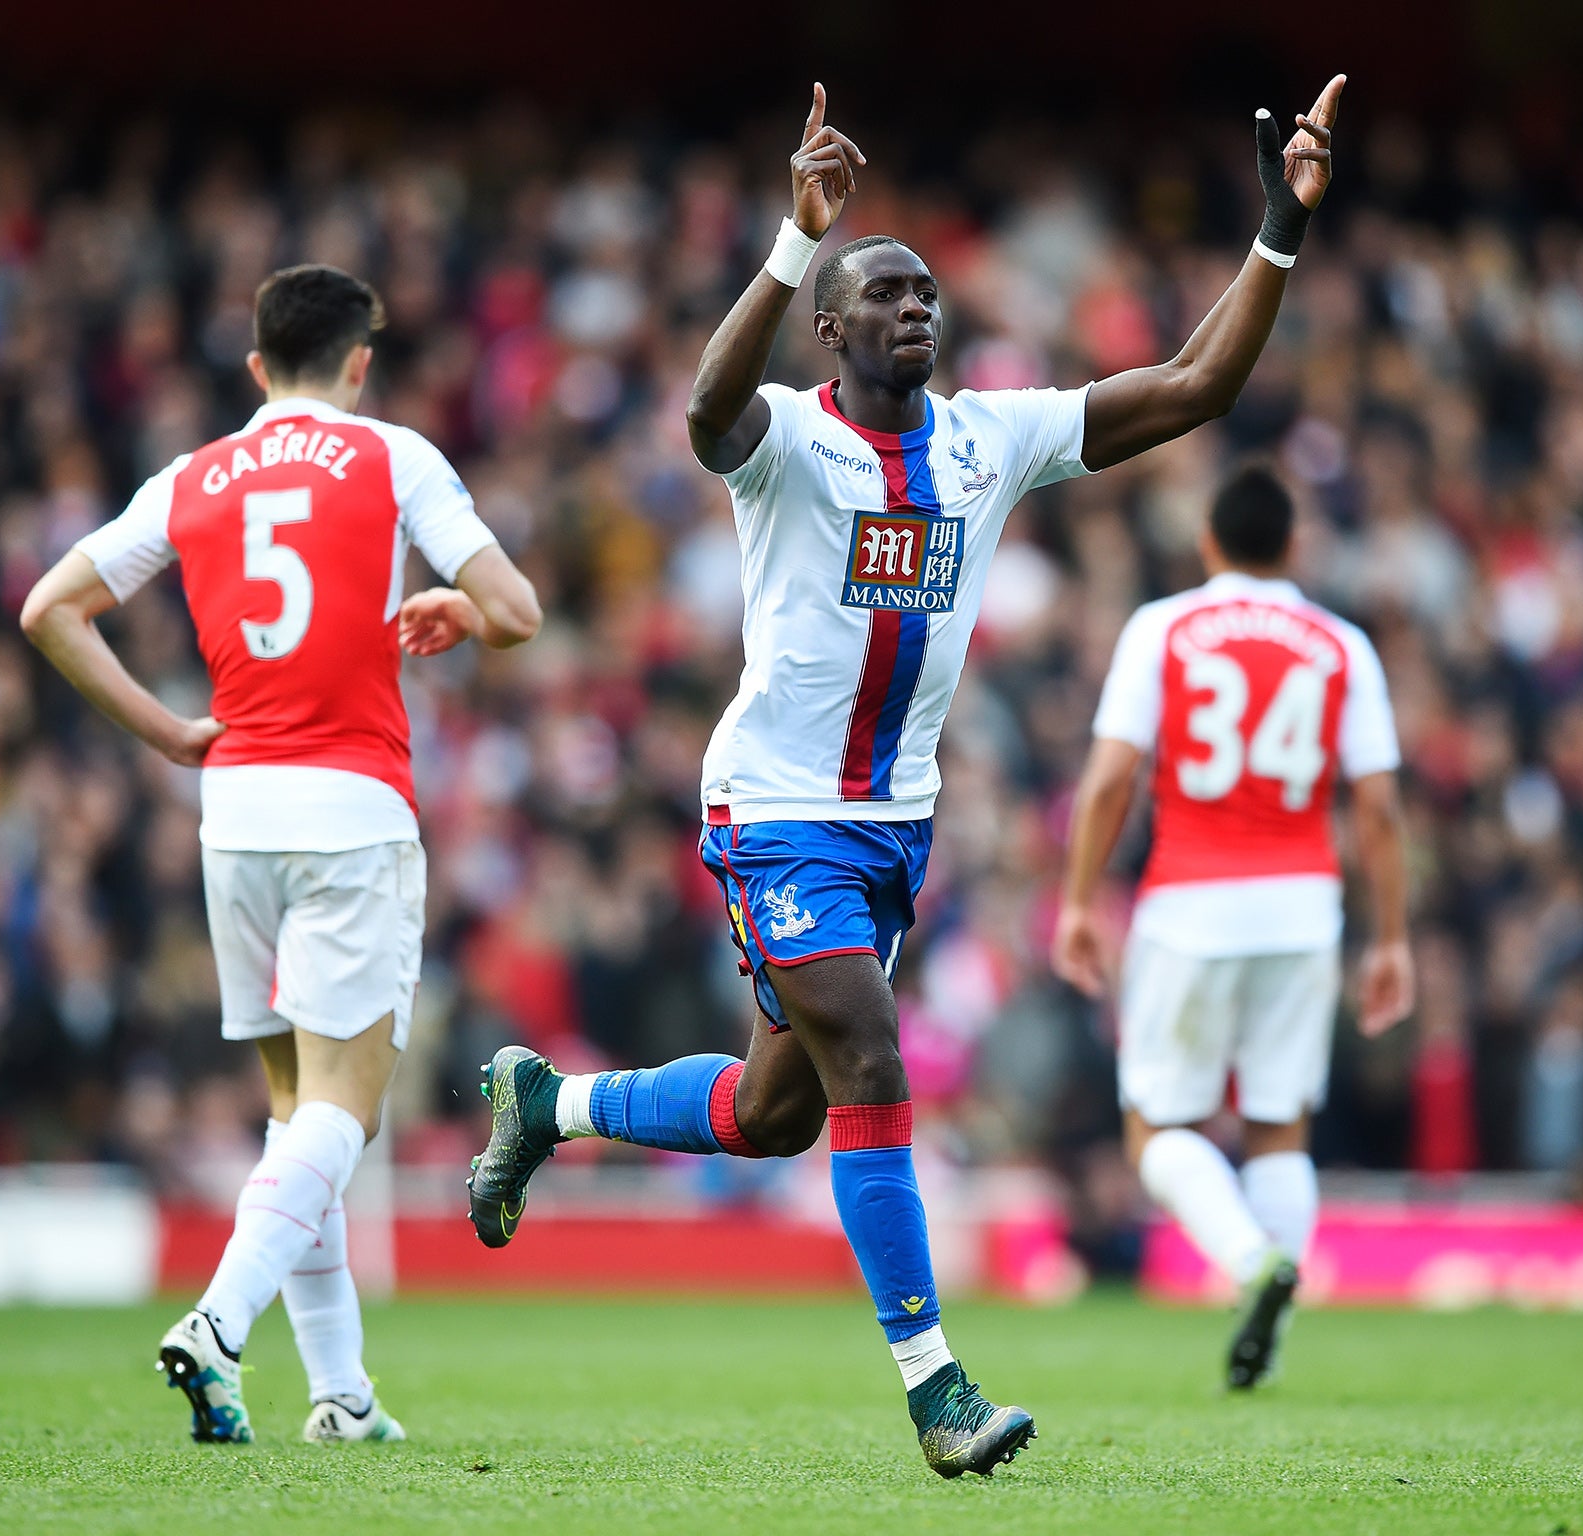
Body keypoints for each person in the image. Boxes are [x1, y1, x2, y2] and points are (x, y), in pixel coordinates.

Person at [464, 75, 1348, 1476]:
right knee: (872, 1055)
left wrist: (1276, 232)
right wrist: (788, 234)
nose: (917, 306)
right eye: (883, 293)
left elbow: (1192, 387)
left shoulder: (989, 439)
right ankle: (937, 1393)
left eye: (927, 290)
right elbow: (701, 413)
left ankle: (547, 1104)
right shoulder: (788, 445)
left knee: (777, 1113)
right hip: (776, 812)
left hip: (892, 829)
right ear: (831, 327)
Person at [21, 263, 540, 1444]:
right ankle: (216, 1322)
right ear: (361, 361)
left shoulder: (193, 477)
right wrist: (461, 610)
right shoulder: (394, 455)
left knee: (296, 1113)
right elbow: (516, 610)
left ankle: (340, 1396)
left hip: (236, 813)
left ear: (257, 367)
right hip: (350, 809)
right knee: (345, 1111)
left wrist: (166, 734)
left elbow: (48, 606)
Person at [1050, 464, 1414, 1389]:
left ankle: (1253, 1264)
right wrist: (1394, 936)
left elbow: (1109, 780)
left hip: (1191, 904)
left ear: (1208, 543)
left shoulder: (1163, 628)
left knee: (1157, 1129)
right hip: (1303, 909)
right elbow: (1377, 808)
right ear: (1294, 547)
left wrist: (1082, 900)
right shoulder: (1340, 646)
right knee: (1278, 1128)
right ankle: (1270, 1349)